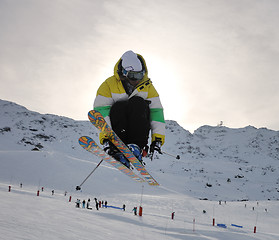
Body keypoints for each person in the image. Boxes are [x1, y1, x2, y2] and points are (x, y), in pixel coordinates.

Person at [93, 50, 165, 168]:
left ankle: (135, 147)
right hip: (118, 130)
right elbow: (102, 111)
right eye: (133, 76)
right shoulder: (108, 85)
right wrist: (106, 138)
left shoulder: (147, 86)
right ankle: (118, 149)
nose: (137, 79)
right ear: (124, 73)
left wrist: (157, 139)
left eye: (140, 75)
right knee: (119, 106)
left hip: (138, 130)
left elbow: (156, 112)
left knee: (138, 103)